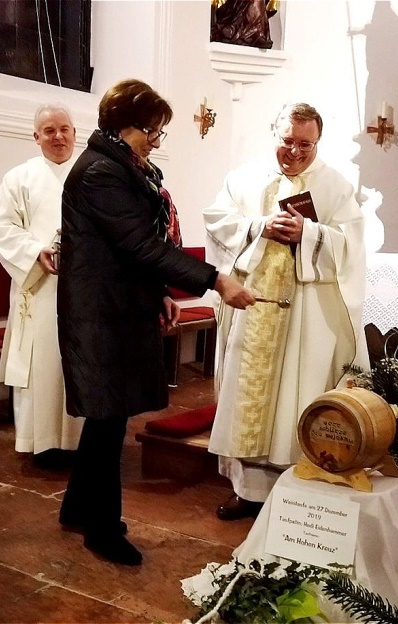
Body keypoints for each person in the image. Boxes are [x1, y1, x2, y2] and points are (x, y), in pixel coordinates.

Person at [56, 79, 254, 566]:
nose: (155, 140)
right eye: (151, 130)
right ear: (122, 124)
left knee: (109, 415)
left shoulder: (121, 167)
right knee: (108, 417)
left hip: (117, 305)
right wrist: (216, 280)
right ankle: (102, 531)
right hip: (100, 312)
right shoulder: (102, 172)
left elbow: (132, 248)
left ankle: (79, 508)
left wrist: (161, 292)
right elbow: (140, 246)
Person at [204, 102, 369, 520]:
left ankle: (297, 493)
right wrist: (259, 227)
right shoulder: (242, 178)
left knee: (296, 397)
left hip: (306, 317)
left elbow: (352, 246)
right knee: (249, 398)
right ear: (274, 135)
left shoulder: (335, 186)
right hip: (251, 304)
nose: (295, 152)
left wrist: (309, 234)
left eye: (306, 145)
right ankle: (248, 492)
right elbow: (217, 223)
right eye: (288, 142)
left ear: (318, 142)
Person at [0, 104, 81, 469]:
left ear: (75, 132)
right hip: (39, 287)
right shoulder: (19, 178)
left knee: (78, 363)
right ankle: (41, 443)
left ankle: (79, 441)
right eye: (49, 130)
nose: (58, 137)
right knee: (42, 364)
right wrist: (34, 251)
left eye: (65, 129)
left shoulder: (92, 174)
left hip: (85, 291)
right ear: (36, 136)